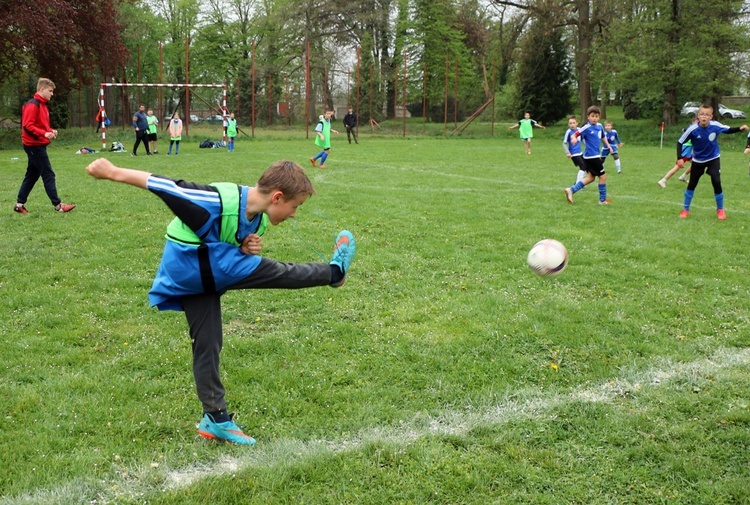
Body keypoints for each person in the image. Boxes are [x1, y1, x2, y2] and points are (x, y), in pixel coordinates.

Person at [83, 157, 357, 445]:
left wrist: (241, 246)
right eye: (294, 207)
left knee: (208, 341)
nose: (294, 215)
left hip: (201, 273)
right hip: (190, 265)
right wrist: (111, 172)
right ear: (277, 197)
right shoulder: (213, 201)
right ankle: (333, 273)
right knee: (273, 271)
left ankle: (215, 417)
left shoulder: (257, 221)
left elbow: (221, 239)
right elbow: (165, 186)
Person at [675, 104, 748, 220]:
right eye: (702, 114)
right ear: (698, 116)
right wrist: (679, 158)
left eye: (707, 115)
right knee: (692, 184)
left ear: (711, 117)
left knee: (716, 181)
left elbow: (728, 130)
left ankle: (720, 210)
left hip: (713, 158)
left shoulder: (715, 126)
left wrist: (739, 128)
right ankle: (685, 209)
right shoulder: (692, 129)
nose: (704, 117)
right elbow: (680, 142)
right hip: (698, 160)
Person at [14, 77, 76, 214]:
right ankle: (58, 205)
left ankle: (19, 204)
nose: (52, 94)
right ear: (42, 89)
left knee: (32, 175)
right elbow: (27, 126)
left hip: (38, 145)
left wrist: (50, 131)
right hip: (33, 146)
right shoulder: (32, 105)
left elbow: (40, 125)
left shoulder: (43, 106)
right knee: (48, 174)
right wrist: (44, 134)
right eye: (50, 91)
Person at [564, 105, 613, 205]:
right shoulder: (586, 127)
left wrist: (608, 145)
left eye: (596, 116)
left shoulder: (599, 126)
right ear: (588, 117)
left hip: (593, 156)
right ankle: (602, 200)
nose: (594, 118)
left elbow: (603, 137)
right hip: (592, 157)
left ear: (599, 117)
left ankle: (571, 190)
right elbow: (575, 133)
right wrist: (573, 138)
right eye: (592, 116)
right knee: (603, 177)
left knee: (591, 177)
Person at [658, 118, 697, 188]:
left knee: (696, 163)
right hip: (685, 152)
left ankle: (684, 176)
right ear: (693, 122)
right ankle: (663, 180)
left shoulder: (694, 129)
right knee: (677, 167)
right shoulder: (692, 129)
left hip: (688, 152)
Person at [562, 115, 586, 184]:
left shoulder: (579, 130)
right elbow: (564, 143)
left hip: (580, 153)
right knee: (583, 167)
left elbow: (583, 139)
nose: (572, 125)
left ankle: (580, 183)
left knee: (586, 167)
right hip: (574, 153)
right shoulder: (569, 132)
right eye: (570, 123)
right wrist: (567, 152)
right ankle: (578, 185)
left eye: (573, 123)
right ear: (568, 124)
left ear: (577, 123)